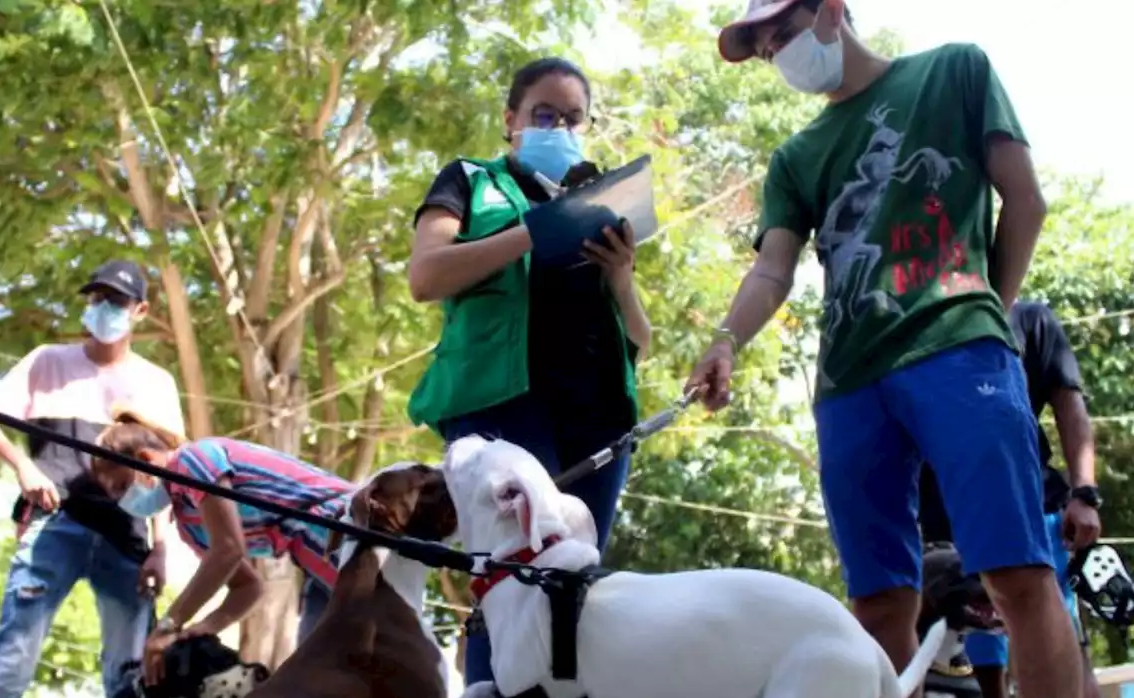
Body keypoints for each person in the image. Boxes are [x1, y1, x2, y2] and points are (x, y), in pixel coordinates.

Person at [685, 1, 1083, 696]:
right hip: (848, 386)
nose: (779, 53)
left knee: (1017, 574)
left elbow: (1025, 201)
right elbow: (772, 268)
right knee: (876, 603)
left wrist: (985, 309)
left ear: (833, 10)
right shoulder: (795, 157)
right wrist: (725, 341)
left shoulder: (954, 70)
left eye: (785, 32)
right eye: (768, 47)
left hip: (960, 355)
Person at [405, 55, 653, 685]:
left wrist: (621, 280)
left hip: (597, 421)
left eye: (573, 118)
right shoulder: (469, 180)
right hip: (500, 410)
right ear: (510, 119)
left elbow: (640, 342)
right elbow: (426, 275)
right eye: (544, 114)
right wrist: (532, 233)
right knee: (510, 577)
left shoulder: (594, 200)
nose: (559, 128)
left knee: (575, 584)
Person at [0, 260, 186, 698]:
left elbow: (164, 477)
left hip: (127, 538)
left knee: (130, 679)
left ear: (140, 311)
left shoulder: (156, 382)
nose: (104, 308)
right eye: (97, 298)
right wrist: (23, 467)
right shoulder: (48, 361)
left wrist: (161, 549)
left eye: (117, 301)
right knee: (12, 664)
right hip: (54, 525)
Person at [88, 410, 354, 687]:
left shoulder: (193, 459)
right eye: (115, 495)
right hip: (321, 571)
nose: (124, 501)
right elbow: (248, 588)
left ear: (145, 459)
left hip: (350, 537)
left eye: (122, 486)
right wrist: (204, 628)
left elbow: (229, 550)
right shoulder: (190, 525)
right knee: (315, 680)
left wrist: (169, 624)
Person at [919, 301, 1102, 698]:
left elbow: (1071, 407)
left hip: (1032, 510)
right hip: (950, 527)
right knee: (980, 662)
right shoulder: (914, 325)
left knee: (1061, 639)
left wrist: (1085, 493)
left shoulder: (1030, 319)